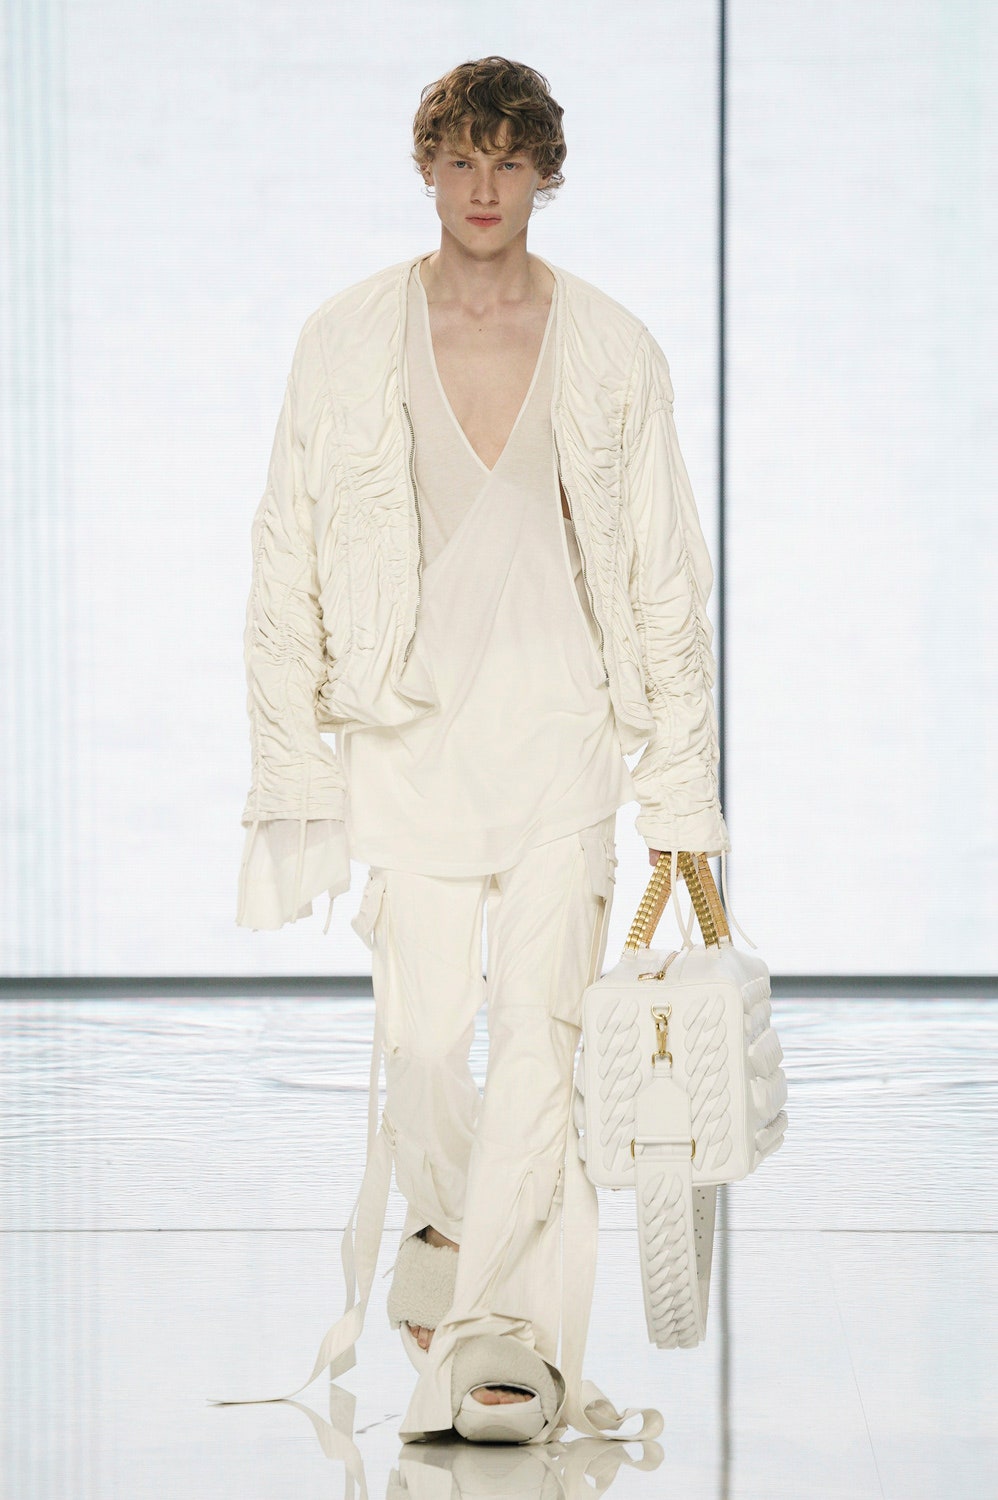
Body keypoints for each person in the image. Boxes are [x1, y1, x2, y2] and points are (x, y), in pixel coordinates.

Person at [235, 56, 729, 1446]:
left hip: (562, 738)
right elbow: (285, 558)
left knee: (542, 1046)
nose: (482, 186)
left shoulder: (611, 347)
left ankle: (507, 1337)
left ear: (544, 174)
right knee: (424, 1043)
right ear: (428, 168)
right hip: (408, 741)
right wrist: (291, 767)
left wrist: (680, 795)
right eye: (460, 158)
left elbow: (662, 579)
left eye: (508, 161)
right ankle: (450, 1228)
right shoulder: (345, 338)